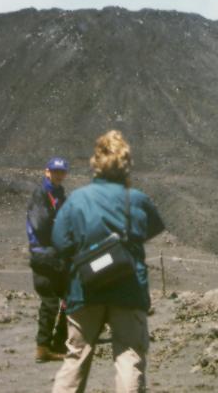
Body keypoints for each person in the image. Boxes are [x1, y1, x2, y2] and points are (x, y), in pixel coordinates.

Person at [51, 130, 165, 393]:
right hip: (128, 289)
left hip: (84, 288)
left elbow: (60, 243)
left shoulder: (77, 199)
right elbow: (152, 228)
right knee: (129, 357)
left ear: (96, 163)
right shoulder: (136, 199)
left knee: (75, 358)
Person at [27, 156, 70, 363]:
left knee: (69, 297)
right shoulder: (41, 193)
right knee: (50, 302)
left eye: (62, 172)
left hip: (57, 255)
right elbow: (40, 224)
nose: (58, 175)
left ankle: (60, 342)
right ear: (47, 172)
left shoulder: (59, 194)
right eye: (55, 171)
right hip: (43, 254)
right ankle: (43, 348)